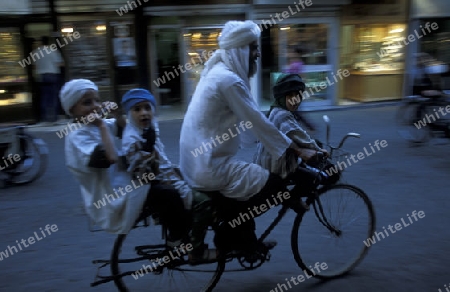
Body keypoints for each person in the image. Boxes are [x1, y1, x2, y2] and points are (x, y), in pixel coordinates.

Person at [179, 20, 312, 260]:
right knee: (272, 185)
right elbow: (257, 121)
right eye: (253, 47)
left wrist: (269, 140)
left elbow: (250, 122)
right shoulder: (229, 80)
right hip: (209, 166)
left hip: (197, 162)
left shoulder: (217, 74)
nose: (258, 53)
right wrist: (298, 150)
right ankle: (229, 237)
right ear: (239, 50)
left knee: (248, 183)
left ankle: (247, 242)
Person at [60, 79, 186, 246]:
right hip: (112, 195)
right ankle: (179, 243)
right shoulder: (77, 136)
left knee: (176, 177)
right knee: (169, 194)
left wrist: (116, 114)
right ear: (72, 109)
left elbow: (124, 127)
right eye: (87, 103)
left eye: (97, 100)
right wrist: (102, 126)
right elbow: (110, 157)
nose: (95, 106)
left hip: (126, 179)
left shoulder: (94, 124)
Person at [120, 88, 191, 246]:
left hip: (161, 176)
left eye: (147, 108)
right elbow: (140, 172)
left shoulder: (149, 128)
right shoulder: (131, 138)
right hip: (148, 184)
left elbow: (161, 159)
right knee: (184, 198)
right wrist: (146, 149)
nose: (143, 113)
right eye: (137, 109)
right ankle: (177, 238)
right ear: (130, 114)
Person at [253, 73, 337, 198]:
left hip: (264, 163)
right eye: (290, 96)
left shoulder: (274, 110)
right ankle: (295, 201)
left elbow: (295, 136)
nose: (295, 100)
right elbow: (300, 136)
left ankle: (292, 199)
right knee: (315, 177)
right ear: (282, 97)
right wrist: (319, 150)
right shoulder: (283, 115)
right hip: (275, 168)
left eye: (298, 95)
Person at [33, 36, 64, 125]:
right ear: (49, 42)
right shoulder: (53, 50)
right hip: (52, 75)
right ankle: (54, 117)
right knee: (53, 96)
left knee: (44, 97)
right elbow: (60, 64)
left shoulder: (36, 52)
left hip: (41, 76)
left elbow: (34, 66)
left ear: (40, 42)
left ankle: (44, 117)